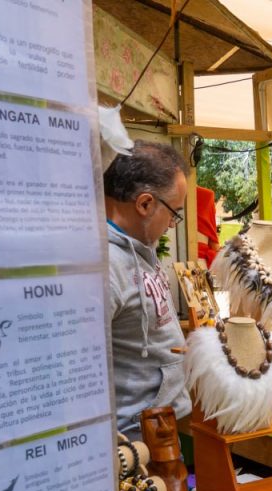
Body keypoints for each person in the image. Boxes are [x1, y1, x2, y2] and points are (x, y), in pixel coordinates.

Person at [103, 140, 191, 437]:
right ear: (144, 204)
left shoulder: (138, 251)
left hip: (157, 428)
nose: (172, 225)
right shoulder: (104, 266)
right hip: (134, 441)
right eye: (174, 213)